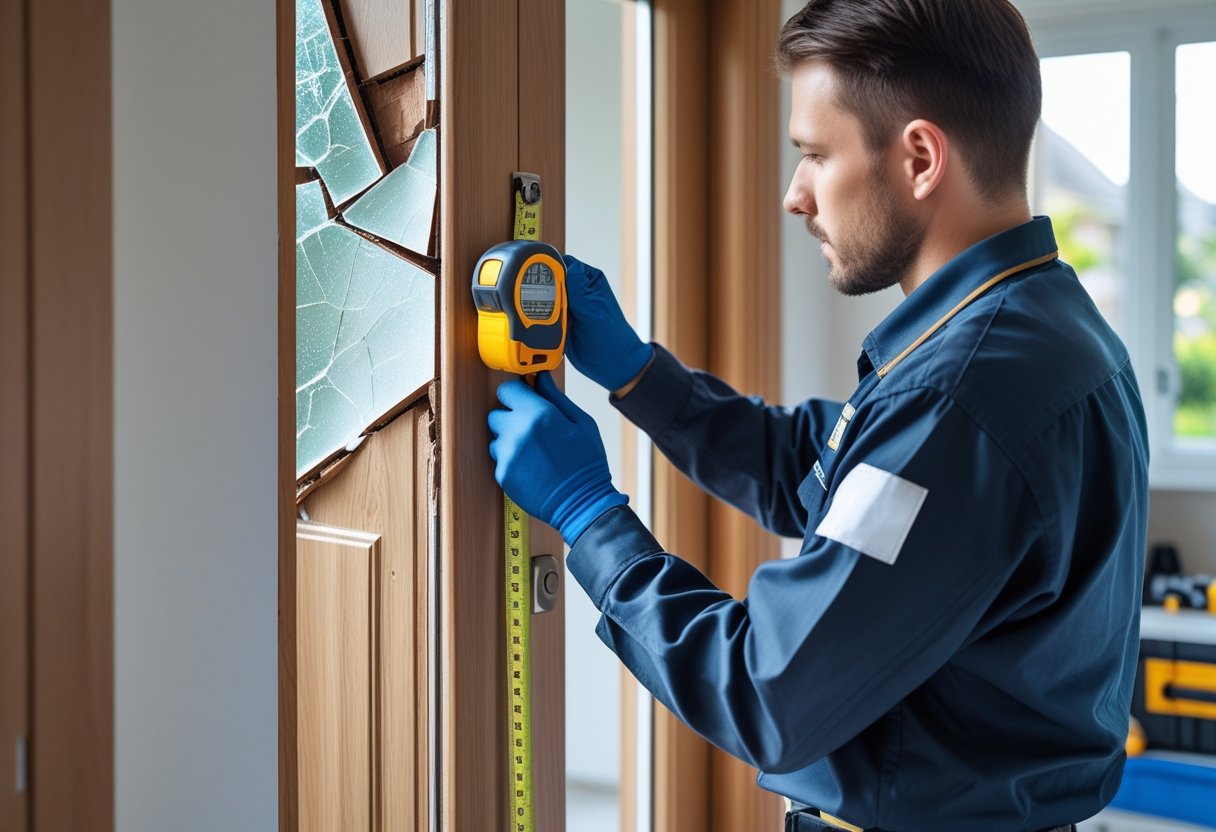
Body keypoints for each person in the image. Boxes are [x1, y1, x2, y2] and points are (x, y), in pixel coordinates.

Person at [486, 1, 1149, 829]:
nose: (795, 195)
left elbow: (770, 692)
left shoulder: (958, 399)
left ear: (918, 156)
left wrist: (592, 520)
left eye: (814, 155)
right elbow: (828, 473)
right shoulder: (1042, 324)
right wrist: (641, 378)